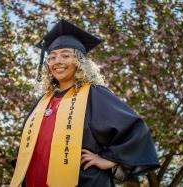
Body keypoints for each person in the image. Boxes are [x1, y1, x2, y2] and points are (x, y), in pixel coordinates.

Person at [10, 19, 160, 187]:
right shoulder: (42, 102)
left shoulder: (94, 93)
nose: (57, 61)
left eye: (66, 55)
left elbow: (135, 129)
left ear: (80, 61)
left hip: (82, 182)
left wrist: (109, 161)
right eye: (52, 57)